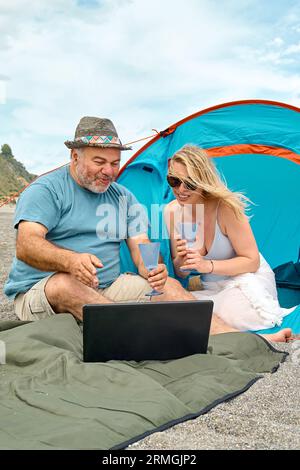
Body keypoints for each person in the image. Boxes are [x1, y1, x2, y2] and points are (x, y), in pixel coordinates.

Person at [164, 144, 295, 340]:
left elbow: (251, 261)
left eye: (189, 183)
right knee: (167, 303)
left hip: (245, 279)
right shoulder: (172, 212)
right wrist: (181, 261)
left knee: (232, 311)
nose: (180, 190)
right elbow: (181, 272)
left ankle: (256, 338)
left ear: (202, 180)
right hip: (211, 287)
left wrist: (207, 265)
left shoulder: (225, 208)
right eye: (174, 181)